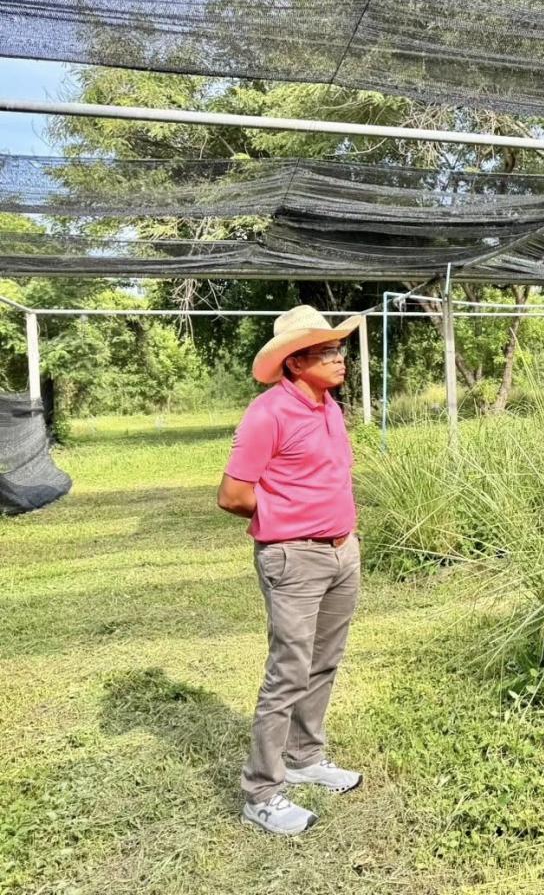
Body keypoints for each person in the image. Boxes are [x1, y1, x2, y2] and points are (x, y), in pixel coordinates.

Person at [217, 305, 365, 835]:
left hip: (342, 552)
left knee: (324, 660)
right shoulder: (267, 413)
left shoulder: (329, 407)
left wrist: (343, 533)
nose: (340, 358)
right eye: (327, 352)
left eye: (338, 348)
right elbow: (232, 495)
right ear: (296, 361)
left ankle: (304, 756)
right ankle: (261, 790)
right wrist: (290, 521)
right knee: (289, 670)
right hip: (293, 557)